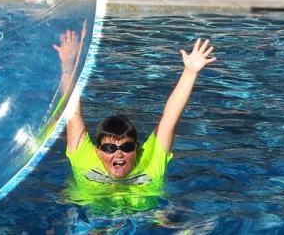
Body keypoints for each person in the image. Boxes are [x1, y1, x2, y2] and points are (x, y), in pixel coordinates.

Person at [53, 23, 217, 214]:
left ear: (136, 149)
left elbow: (170, 118)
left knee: (178, 219)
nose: (119, 154)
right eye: (110, 148)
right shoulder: (84, 158)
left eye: (127, 147)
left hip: (146, 221)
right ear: (98, 152)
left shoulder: (151, 161)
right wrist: (68, 64)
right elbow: (73, 113)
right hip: (91, 222)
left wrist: (190, 72)